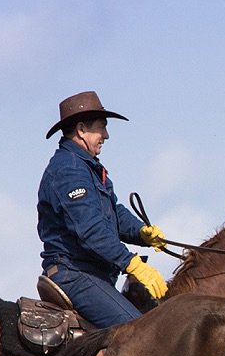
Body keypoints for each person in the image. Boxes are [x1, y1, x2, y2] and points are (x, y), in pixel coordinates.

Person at [37, 91, 169, 326]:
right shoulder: (69, 170)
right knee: (139, 334)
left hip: (92, 275)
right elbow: (90, 230)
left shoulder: (87, 167)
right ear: (81, 129)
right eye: (102, 128)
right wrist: (132, 263)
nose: (106, 135)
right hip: (75, 274)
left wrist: (141, 233)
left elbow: (113, 212)